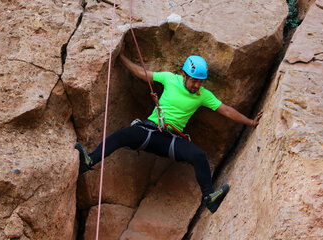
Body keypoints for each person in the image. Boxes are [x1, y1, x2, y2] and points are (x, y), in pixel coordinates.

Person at [75, 46, 263, 213]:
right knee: (121, 135)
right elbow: (142, 72)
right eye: (194, 81)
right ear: (184, 75)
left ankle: (209, 198)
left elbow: (226, 110)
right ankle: (89, 160)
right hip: (149, 131)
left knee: (199, 156)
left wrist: (251, 122)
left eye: (200, 81)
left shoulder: (202, 95)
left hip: (171, 141)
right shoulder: (169, 78)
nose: (197, 85)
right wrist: (122, 57)